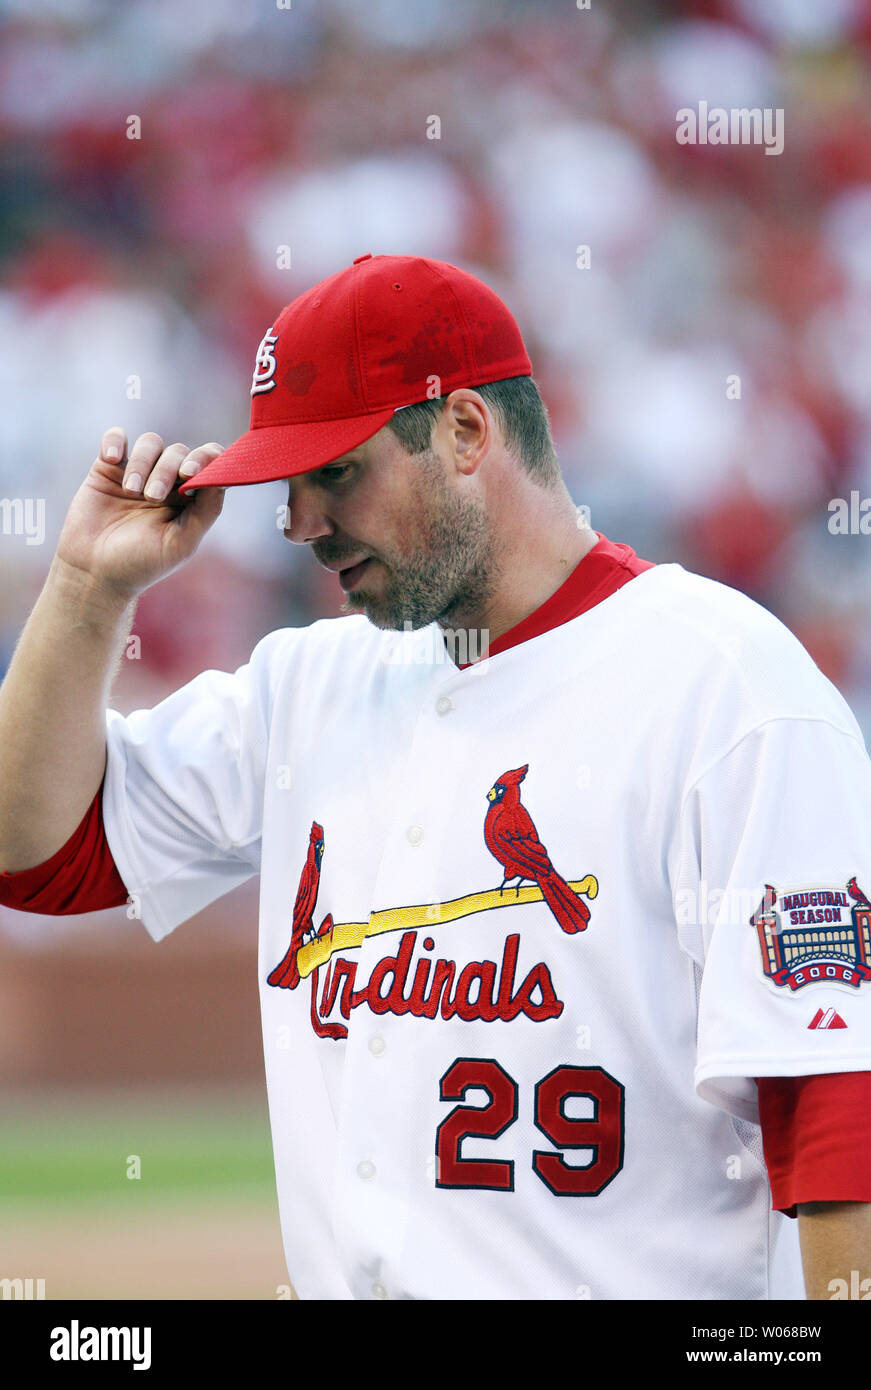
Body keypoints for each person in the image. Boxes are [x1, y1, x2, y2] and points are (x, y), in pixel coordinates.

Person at [1, 253, 870, 1301]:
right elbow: (33, 853)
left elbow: (833, 1106)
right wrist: (88, 587)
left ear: (465, 432)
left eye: (338, 472)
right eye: (289, 484)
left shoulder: (727, 686)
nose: (301, 525)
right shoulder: (305, 684)